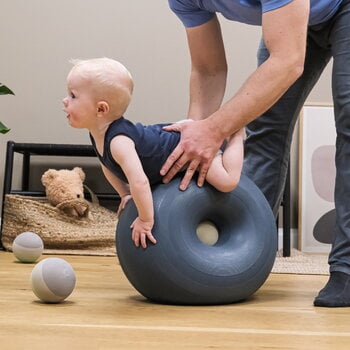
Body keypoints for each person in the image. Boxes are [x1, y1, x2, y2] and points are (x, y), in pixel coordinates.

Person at [162, 0, 350, 307]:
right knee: (265, 129)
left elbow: (288, 61)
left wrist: (214, 130)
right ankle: (242, 250)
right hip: (294, 15)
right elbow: (208, 70)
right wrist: (192, 144)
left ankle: (347, 268)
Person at [62, 57, 244, 249]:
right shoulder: (97, 134)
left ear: (101, 109)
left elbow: (140, 181)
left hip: (185, 146)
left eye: (73, 96)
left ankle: (236, 133)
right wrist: (124, 194)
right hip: (170, 139)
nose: (65, 101)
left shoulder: (119, 142)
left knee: (227, 181)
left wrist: (146, 220)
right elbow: (107, 164)